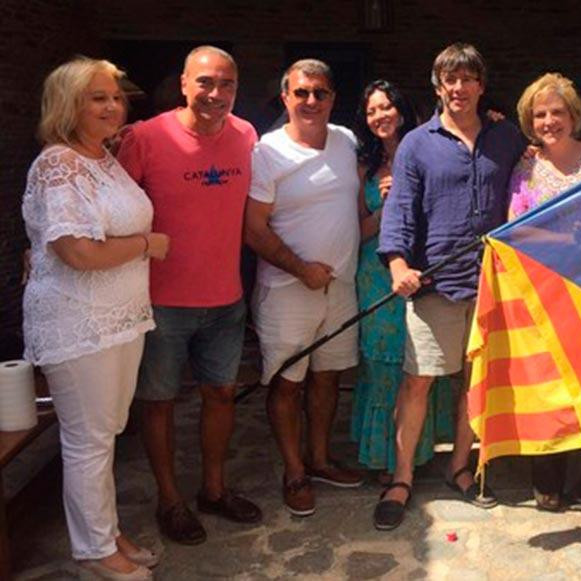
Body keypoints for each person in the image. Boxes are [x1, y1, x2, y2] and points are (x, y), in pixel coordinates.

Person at [22, 57, 168, 580]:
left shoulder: (102, 158)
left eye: (115, 97)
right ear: (68, 105)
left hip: (120, 316)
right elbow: (76, 252)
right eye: (97, 98)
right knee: (87, 439)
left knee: (106, 431)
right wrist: (147, 244)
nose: (112, 106)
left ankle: (106, 533)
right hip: (78, 321)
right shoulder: (58, 163)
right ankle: (93, 552)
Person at [375, 43, 525, 530]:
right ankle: (400, 478)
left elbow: (535, 182)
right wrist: (398, 263)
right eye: (448, 80)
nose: (457, 88)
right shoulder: (418, 143)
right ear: (438, 86)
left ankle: (460, 466)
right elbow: (399, 209)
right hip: (435, 283)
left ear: (481, 84)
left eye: (466, 79)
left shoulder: (507, 137)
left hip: (492, 284)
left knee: (473, 381)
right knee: (417, 381)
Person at [117, 45, 262, 545]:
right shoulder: (144, 137)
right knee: (159, 402)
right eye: (205, 82)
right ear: (183, 83)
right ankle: (170, 501)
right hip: (161, 301)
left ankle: (214, 491)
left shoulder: (246, 136)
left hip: (226, 298)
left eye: (226, 84)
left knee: (221, 395)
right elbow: (112, 207)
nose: (215, 94)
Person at [244, 59, 366, 517]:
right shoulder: (266, 152)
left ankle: (319, 459)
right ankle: (293, 470)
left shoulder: (347, 141)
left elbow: (353, 212)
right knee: (287, 382)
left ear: (333, 98)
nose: (311, 101)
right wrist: (300, 268)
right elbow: (253, 229)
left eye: (320, 93)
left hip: (340, 287)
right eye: (302, 93)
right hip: (287, 289)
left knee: (328, 377)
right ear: (286, 98)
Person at [507, 73, 581, 511]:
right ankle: (545, 477)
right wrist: (567, 241)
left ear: (573, 116)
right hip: (542, 291)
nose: (549, 121)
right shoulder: (526, 166)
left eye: (557, 112)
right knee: (546, 387)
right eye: (540, 114)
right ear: (530, 121)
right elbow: (517, 227)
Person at [351, 79, 455, 482]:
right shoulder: (364, 167)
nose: (380, 116)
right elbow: (356, 231)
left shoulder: (430, 152)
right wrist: (386, 207)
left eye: (387, 107)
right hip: (376, 277)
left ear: (402, 109)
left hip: (421, 272)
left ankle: (418, 453)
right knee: (383, 364)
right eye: (372, 110)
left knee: (418, 365)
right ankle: (385, 458)